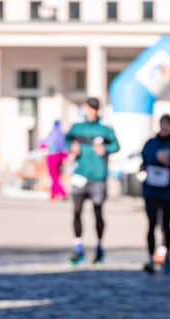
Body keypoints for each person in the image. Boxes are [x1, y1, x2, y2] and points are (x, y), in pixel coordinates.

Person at [65, 97, 120, 265]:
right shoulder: (77, 126)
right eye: (90, 108)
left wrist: (106, 149)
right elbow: (67, 140)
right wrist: (71, 148)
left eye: (95, 108)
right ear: (84, 108)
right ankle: (78, 248)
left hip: (98, 176)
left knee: (98, 213)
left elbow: (116, 146)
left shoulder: (105, 127)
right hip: (80, 175)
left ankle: (99, 248)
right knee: (77, 211)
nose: (92, 111)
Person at [140, 114, 170, 274]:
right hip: (151, 190)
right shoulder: (151, 143)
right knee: (151, 223)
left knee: (166, 225)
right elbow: (144, 159)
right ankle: (150, 258)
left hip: (168, 191)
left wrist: (168, 162)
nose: (164, 128)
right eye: (162, 125)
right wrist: (152, 162)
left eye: (167, 125)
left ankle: (166, 256)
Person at [42, 119, 68, 200]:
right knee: (56, 175)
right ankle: (53, 194)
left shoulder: (52, 134)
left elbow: (44, 144)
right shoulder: (61, 134)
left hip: (52, 157)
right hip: (60, 157)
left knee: (54, 176)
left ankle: (62, 192)